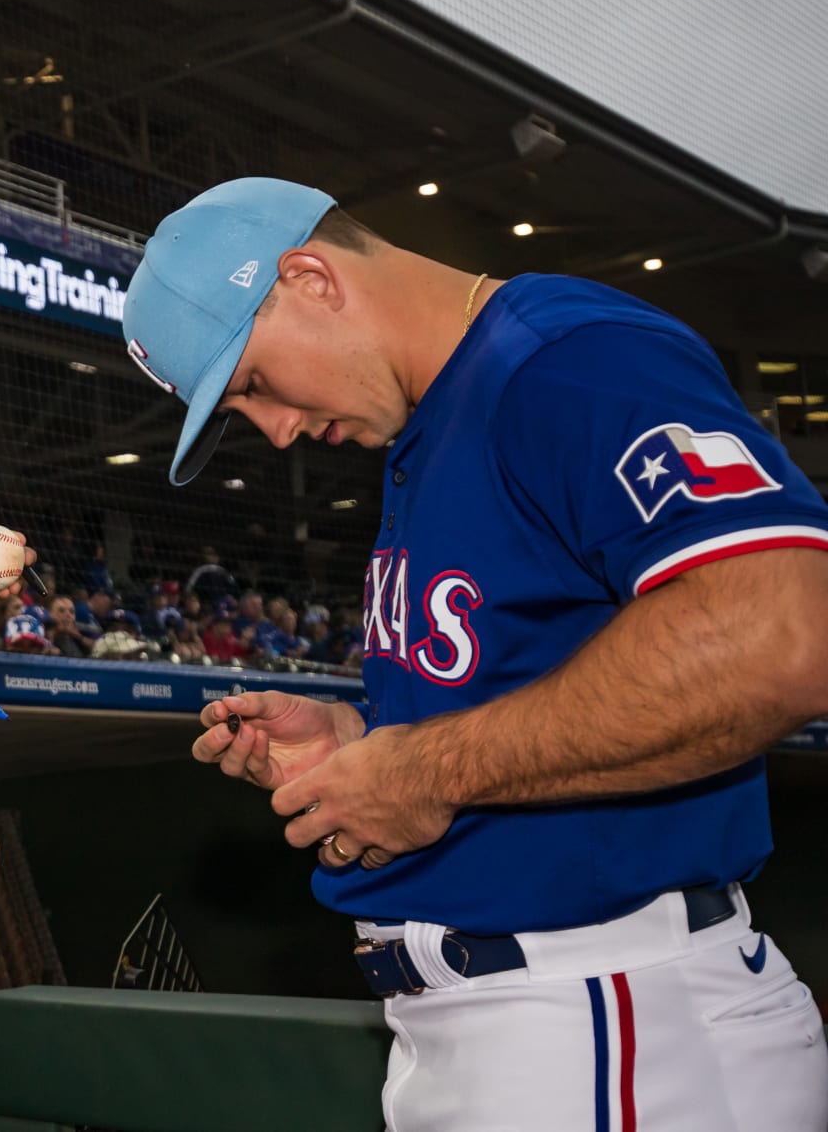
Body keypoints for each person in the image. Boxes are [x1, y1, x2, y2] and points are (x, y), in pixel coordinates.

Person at [129, 177, 828, 1130]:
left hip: (607, 1015)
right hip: (505, 1024)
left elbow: (783, 633)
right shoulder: (436, 419)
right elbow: (532, 684)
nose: (278, 429)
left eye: (250, 384)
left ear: (310, 278)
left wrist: (425, 768)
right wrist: (368, 740)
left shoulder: (562, 357)